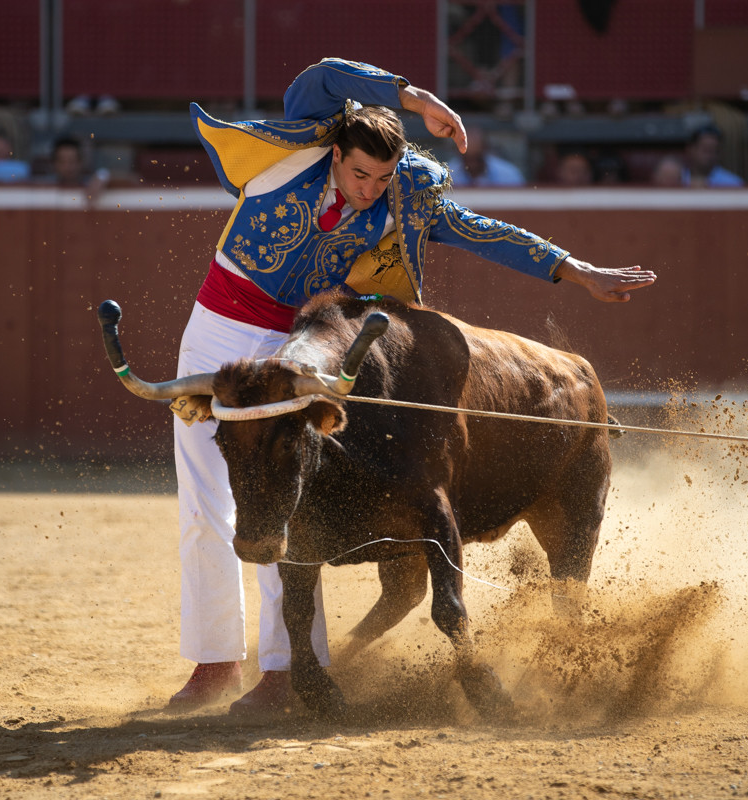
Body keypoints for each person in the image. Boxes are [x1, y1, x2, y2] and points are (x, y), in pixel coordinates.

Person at [167, 58, 657, 717]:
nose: (369, 190)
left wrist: (578, 270)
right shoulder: (298, 150)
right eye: (359, 174)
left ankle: (283, 671)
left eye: (382, 178)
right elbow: (322, 76)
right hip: (218, 331)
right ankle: (214, 661)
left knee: (287, 500)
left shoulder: (406, 197)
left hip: (302, 348)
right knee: (204, 505)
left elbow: (484, 233)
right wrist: (416, 97)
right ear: (336, 155)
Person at [446, 125, 525, 187]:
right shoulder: (445, 176)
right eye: (468, 159)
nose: (473, 164)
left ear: (486, 149)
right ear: (458, 153)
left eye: (476, 158)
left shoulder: (508, 174)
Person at [39, 137, 110, 201]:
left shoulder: (90, 183)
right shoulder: (43, 186)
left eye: (72, 161)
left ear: (81, 162)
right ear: (54, 163)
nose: (67, 167)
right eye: (62, 162)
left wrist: (102, 175)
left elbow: (106, 174)